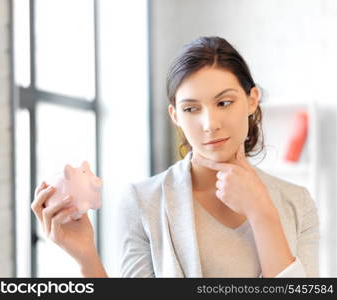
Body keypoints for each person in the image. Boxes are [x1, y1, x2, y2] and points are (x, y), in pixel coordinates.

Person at [31, 36, 319, 278]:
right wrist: (86, 259)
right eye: (192, 109)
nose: (209, 123)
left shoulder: (298, 202)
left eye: (224, 102)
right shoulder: (144, 201)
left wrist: (261, 212)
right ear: (175, 116)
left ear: (252, 100)